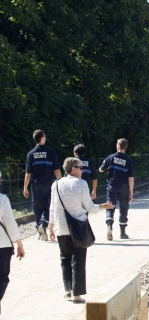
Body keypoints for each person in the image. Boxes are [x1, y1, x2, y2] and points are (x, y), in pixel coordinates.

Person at [48, 158, 114, 304]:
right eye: (80, 168)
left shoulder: (56, 184)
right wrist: (103, 206)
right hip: (78, 228)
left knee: (65, 258)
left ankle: (68, 291)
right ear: (73, 169)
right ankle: (77, 295)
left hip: (61, 227)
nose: (82, 171)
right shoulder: (81, 184)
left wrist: (51, 227)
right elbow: (90, 207)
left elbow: (52, 207)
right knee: (78, 259)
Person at [23, 129, 61, 241]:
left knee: (37, 207)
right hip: (48, 184)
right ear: (43, 137)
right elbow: (56, 170)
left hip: (35, 185)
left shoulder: (31, 154)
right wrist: (61, 183)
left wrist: (25, 187)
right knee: (48, 207)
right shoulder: (51, 152)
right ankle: (43, 225)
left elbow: (28, 173)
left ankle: (40, 231)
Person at [98, 138, 134, 240]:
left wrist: (109, 167)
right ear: (125, 147)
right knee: (123, 208)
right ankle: (122, 233)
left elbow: (100, 169)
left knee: (110, 206)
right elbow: (130, 178)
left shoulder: (111, 157)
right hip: (123, 187)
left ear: (118, 146)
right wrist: (131, 193)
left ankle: (109, 226)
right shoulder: (128, 161)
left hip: (111, 186)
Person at [0, 171, 25, 311]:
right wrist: (19, 245)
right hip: (2, 246)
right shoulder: (2, 199)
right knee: (2, 278)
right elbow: (10, 224)